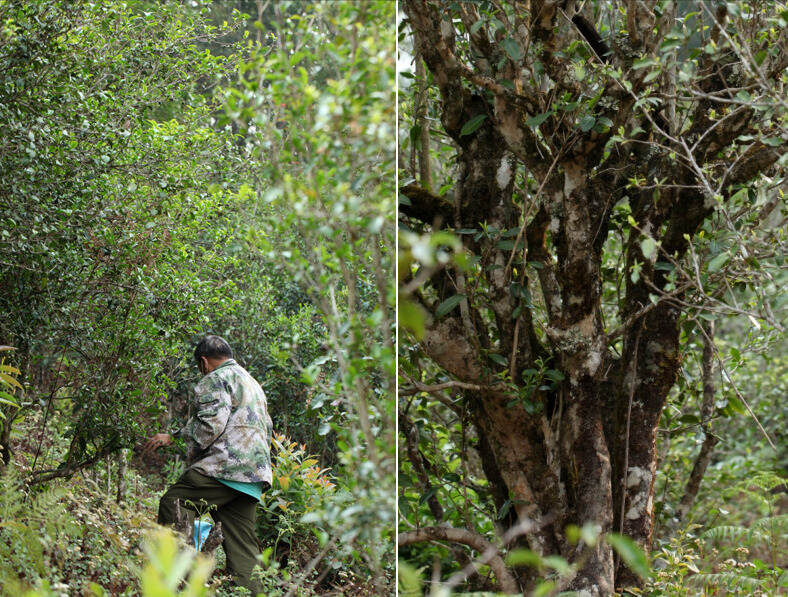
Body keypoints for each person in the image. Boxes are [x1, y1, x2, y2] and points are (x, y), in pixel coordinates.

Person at [143, 335, 273, 592]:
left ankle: (180, 581)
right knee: (244, 549)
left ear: (203, 362)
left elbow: (209, 426)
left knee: (174, 502)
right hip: (254, 477)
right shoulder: (252, 383)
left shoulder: (215, 379)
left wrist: (173, 439)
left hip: (225, 469)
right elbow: (266, 427)